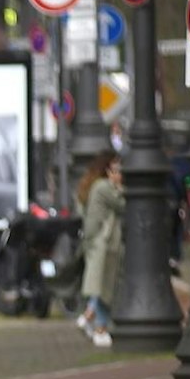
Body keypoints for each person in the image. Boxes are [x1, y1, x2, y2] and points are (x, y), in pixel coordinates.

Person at [77, 149, 125, 348]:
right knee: (104, 285)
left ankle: (88, 316)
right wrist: (120, 187)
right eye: (116, 169)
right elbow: (122, 204)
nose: (120, 173)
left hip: (99, 242)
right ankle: (99, 327)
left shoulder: (94, 185)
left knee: (100, 284)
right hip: (104, 243)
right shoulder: (105, 187)